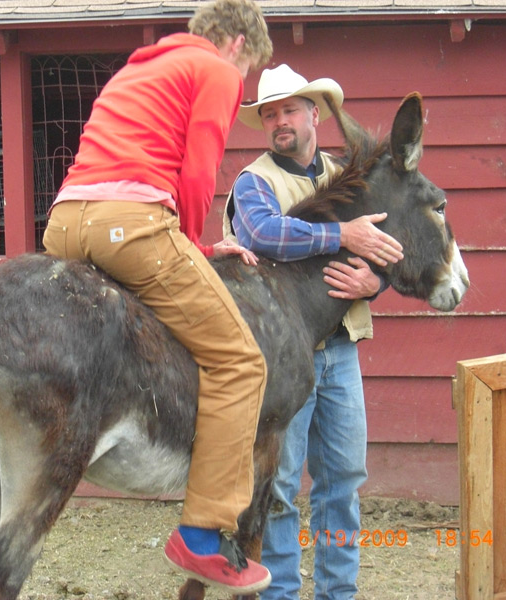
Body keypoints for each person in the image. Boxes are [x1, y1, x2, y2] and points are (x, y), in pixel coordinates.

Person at [41, 0, 274, 594]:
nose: (240, 84)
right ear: (239, 45)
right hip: (132, 224)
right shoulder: (218, 70)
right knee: (241, 362)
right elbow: (197, 175)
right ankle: (200, 536)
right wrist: (192, 246)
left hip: (65, 222)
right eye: (248, 73)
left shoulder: (137, 69)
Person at [223, 64, 404, 599]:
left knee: (343, 481)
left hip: (341, 350)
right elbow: (263, 233)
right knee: (278, 486)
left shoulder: (350, 177)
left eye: (289, 110)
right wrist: (341, 232)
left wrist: (375, 280)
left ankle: (337, 592)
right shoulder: (255, 181)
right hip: (279, 357)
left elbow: (388, 248)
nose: (280, 121)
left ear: (314, 115)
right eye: (270, 113)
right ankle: (280, 594)